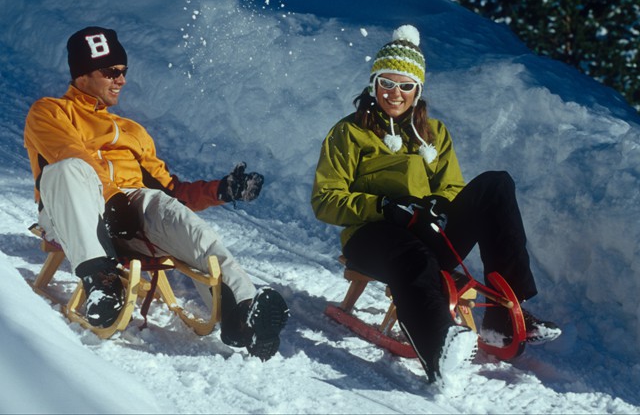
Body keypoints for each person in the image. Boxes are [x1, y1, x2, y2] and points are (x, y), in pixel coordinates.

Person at [311, 25, 561, 383]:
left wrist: (438, 205)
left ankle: (505, 318)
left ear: (418, 90)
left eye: (406, 85)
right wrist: (382, 205)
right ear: (373, 84)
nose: (395, 94)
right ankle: (437, 342)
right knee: (411, 254)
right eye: (386, 83)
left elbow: (452, 187)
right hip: (372, 237)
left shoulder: (435, 134)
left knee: (496, 185)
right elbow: (325, 200)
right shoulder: (348, 133)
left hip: (426, 231)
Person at [24, 26, 289, 361]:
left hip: (128, 218)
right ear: (83, 75)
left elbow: (172, 191)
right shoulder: (49, 111)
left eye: (123, 72)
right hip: (69, 212)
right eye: (111, 72)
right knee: (68, 169)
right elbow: (71, 156)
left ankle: (243, 314)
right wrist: (111, 198)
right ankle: (102, 285)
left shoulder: (133, 131)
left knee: (168, 210)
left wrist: (220, 190)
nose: (121, 80)